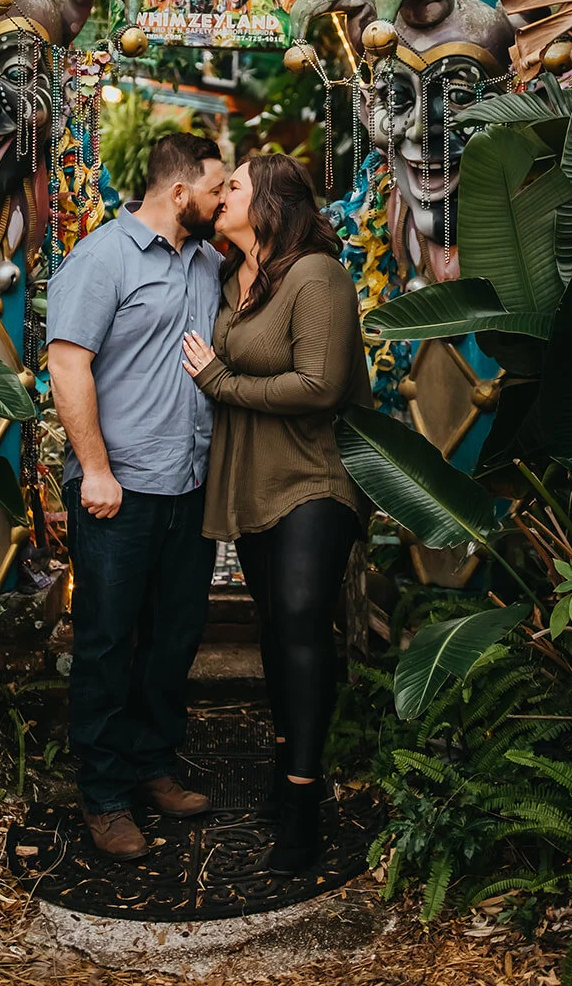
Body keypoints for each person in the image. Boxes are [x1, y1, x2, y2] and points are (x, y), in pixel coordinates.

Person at [181, 153, 372, 876]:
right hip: (254, 481)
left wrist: (220, 384)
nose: (222, 192)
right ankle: (288, 762)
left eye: (232, 185)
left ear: (268, 203)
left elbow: (320, 385)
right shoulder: (232, 278)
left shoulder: (315, 276)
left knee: (298, 620)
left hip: (313, 478)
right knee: (277, 629)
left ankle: (301, 794)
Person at [48, 132, 226, 861]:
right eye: (217, 188)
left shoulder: (212, 263)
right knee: (107, 641)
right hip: (116, 491)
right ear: (180, 192)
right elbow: (67, 366)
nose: (223, 201)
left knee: (174, 635)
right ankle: (104, 793)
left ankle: (153, 762)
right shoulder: (102, 257)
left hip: (189, 484)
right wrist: (94, 469)